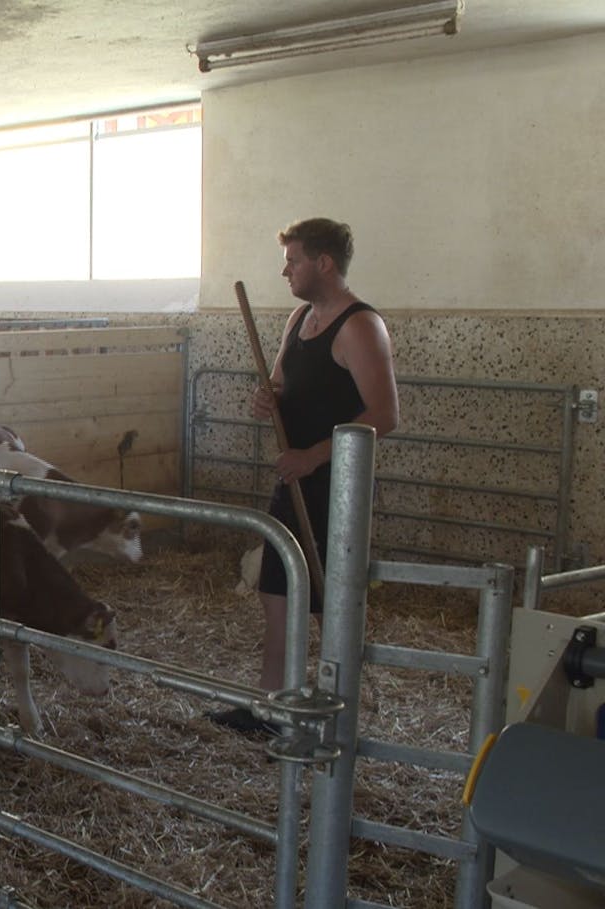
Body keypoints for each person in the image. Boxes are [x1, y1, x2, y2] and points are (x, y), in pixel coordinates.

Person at [210, 217, 398, 736]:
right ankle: (272, 708)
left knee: (328, 606)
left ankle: (344, 712)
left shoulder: (360, 325)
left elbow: (384, 415)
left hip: (337, 488)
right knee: (277, 593)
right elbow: (279, 384)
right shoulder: (299, 319)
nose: (285, 270)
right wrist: (265, 398)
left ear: (324, 263)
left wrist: (313, 456)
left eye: (293, 261)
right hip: (293, 480)